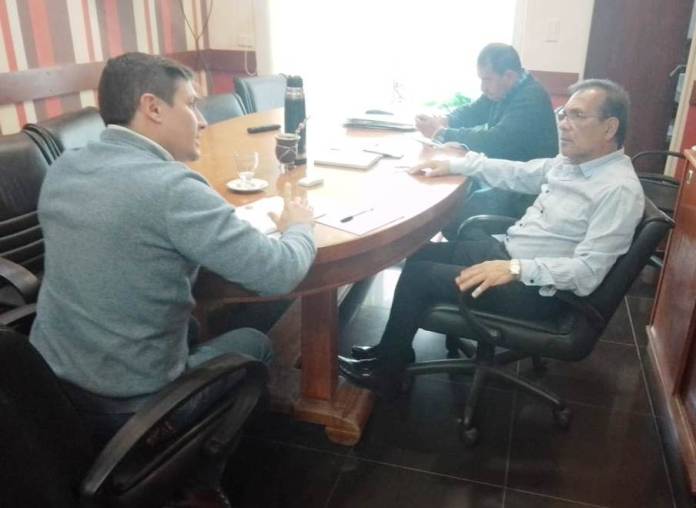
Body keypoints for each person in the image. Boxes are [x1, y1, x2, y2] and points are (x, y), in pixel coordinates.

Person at [29, 52, 316, 507]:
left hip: (47, 392)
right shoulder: (172, 189)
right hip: (129, 409)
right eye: (192, 104)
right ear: (153, 107)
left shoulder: (65, 165)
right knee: (255, 344)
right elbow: (279, 272)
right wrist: (300, 225)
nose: (201, 120)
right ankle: (199, 484)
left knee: (196, 323)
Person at [339, 79, 644, 396]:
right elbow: (517, 172)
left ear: (609, 128)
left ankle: (388, 375)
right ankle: (394, 352)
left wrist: (515, 269)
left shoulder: (617, 190)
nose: (564, 124)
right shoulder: (573, 164)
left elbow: (588, 273)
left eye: (578, 116)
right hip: (510, 256)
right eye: (563, 114)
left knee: (419, 277)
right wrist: (455, 164)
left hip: (539, 291)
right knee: (420, 253)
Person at [416, 43, 559, 237]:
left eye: (487, 79)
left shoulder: (531, 98)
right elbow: (474, 111)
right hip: (501, 174)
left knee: (451, 218)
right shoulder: (505, 89)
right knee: (449, 197)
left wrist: (443, 133)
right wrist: (445, 120)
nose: (483, 87)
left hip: (522, 191)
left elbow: (495, 141)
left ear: (509, 76)